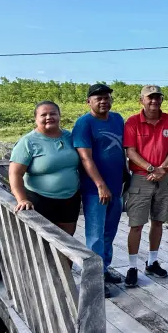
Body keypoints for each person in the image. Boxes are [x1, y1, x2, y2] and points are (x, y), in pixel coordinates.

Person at [123, 85, 168, 288]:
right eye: (150, 98)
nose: (154, 101)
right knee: (136, 224)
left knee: (158, 221)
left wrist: (162, 169)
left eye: (157, 98)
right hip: (141, 177)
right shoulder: (132, 122)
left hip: (164, 177)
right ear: (142, 100)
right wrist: (150, 168)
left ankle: (152, 261)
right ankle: (131, 266)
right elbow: (131, 151)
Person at [73, 84, 125, 297]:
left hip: (116, 187)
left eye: (106, 98)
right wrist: (100, 184)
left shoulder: (117, 119)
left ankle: (104, 268)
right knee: (95, 235)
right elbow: (85, 157)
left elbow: (122, 149)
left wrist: (125, 175)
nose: (103, 101)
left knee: (110, 231)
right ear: (89, 102)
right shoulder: (84, 123)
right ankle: (94, 278)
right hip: (96, 190)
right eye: (98, 99)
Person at [10, 101, 81, 236]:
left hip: (70, 198)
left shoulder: (70, 137)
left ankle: (63, 259)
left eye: (53, 113)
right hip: (39, 199)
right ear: (36, 119)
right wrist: (22, 199)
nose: (49, 117)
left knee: (68, 241)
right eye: (44, 115)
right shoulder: (27, 142)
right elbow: (15, 173)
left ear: (59, 116)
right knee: (42, 242)